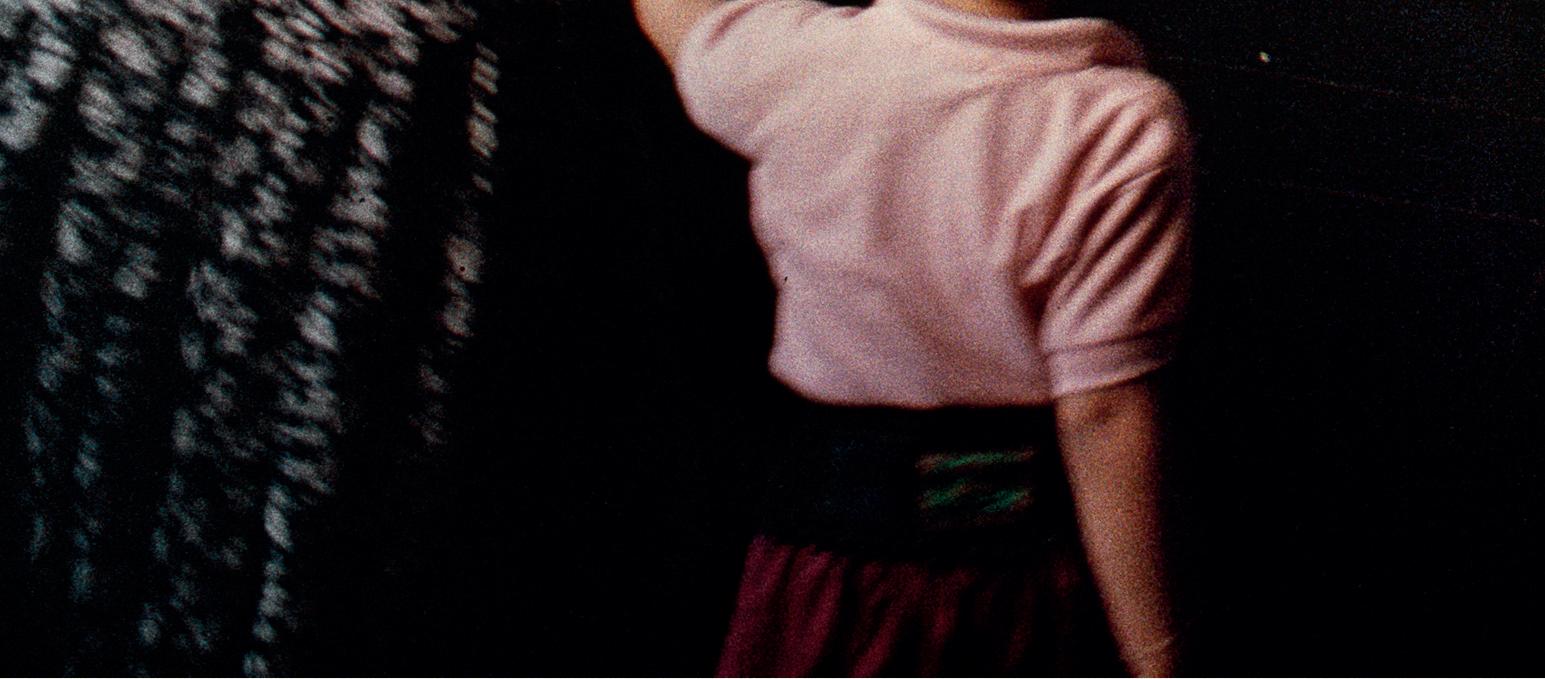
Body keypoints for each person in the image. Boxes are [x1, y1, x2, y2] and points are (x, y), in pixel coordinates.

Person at [632, 0, 1191, 674]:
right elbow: (1101, 414)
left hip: (818, 568)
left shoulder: (800, 62)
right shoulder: (1120, 122)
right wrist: (1157, 659)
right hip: (1008, 589)